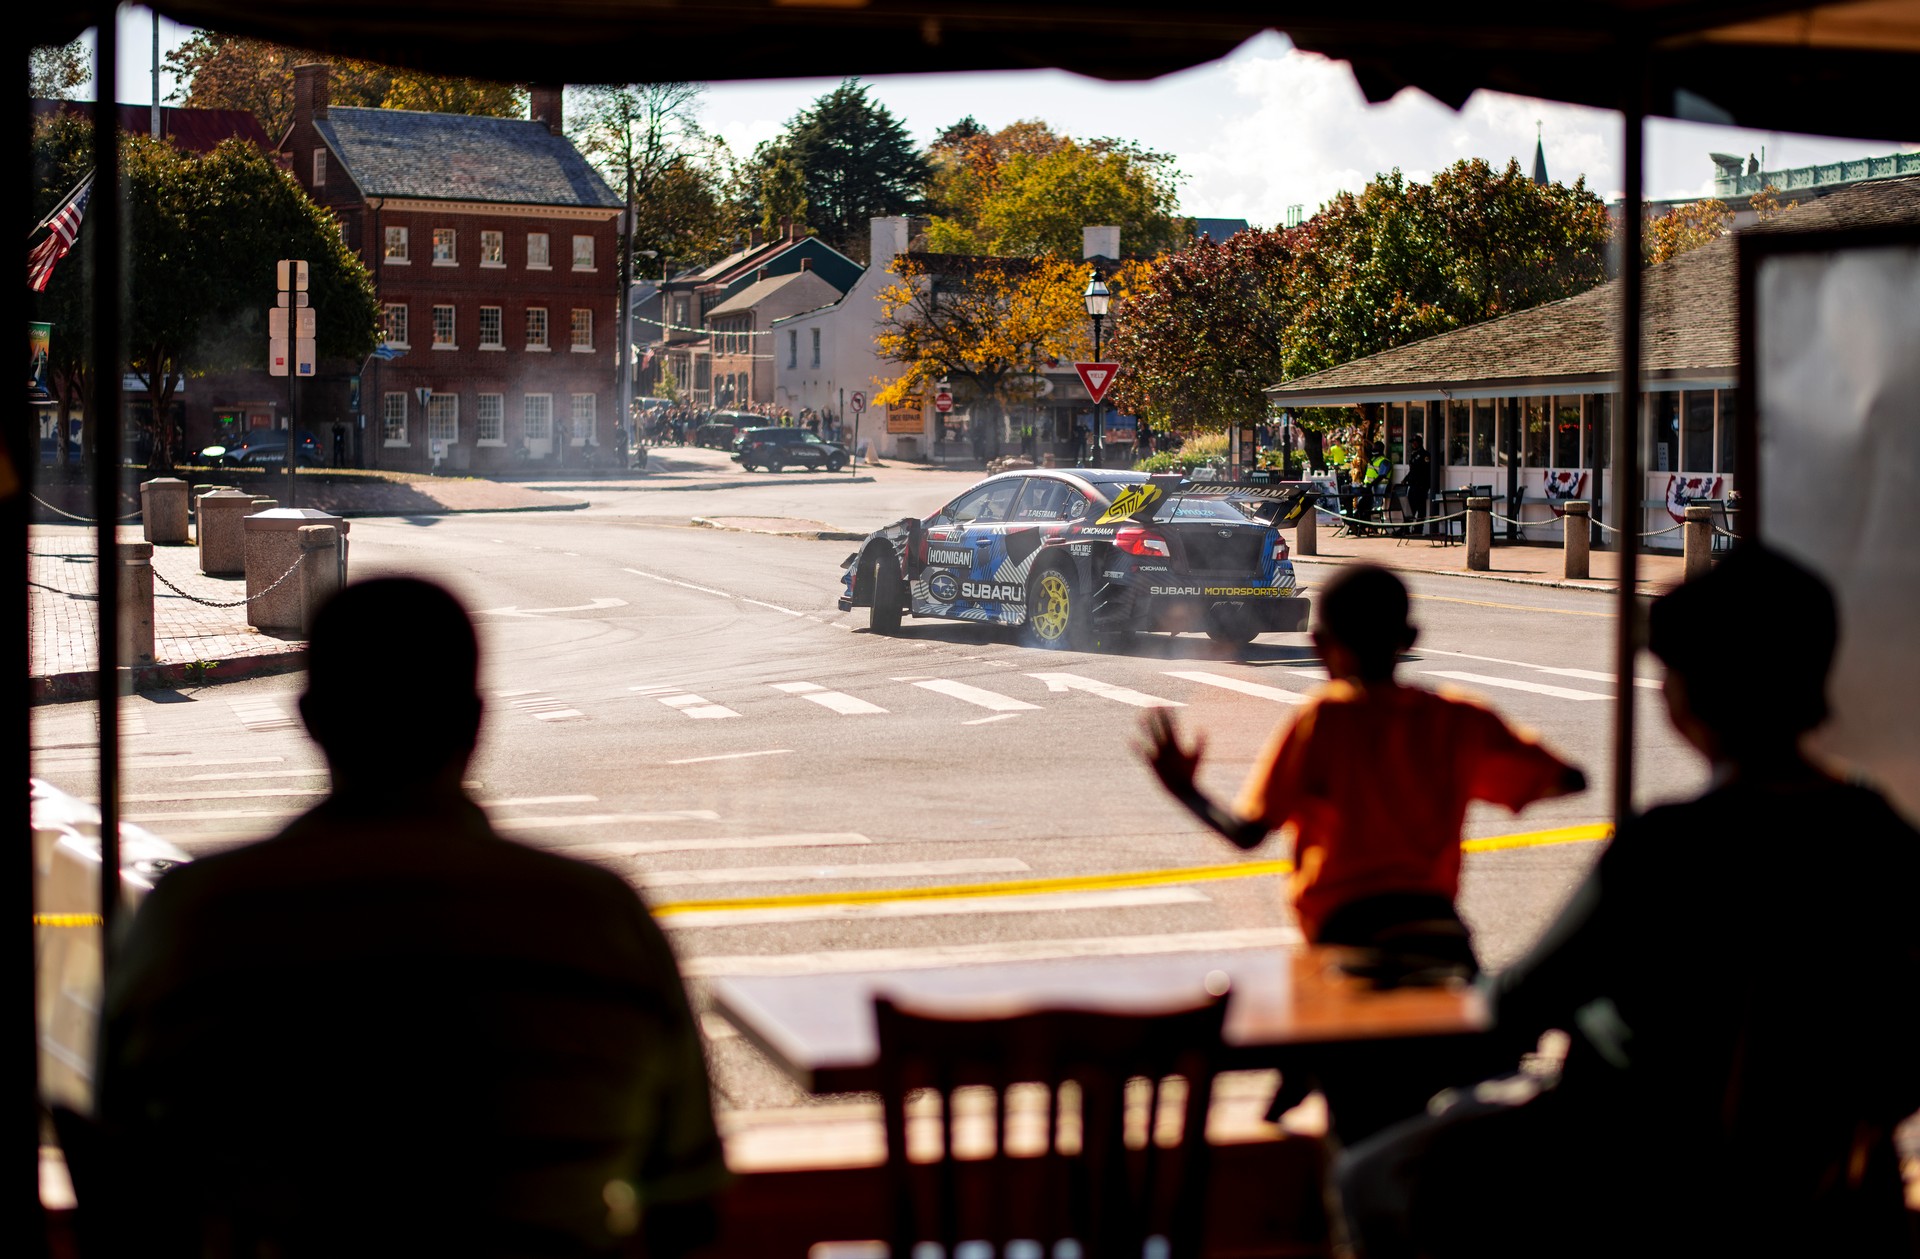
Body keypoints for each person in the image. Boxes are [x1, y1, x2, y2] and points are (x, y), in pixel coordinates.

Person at [95, 578, 728, 1259]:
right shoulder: (603, 919)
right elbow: (688, 1202)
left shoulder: (191, 919)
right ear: (476, 721)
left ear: (310, 719)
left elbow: (125, 1187)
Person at [1339, 546, 1920, 1258]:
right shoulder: (1882, 832)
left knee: (1366, 1178)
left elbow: (1515, 1010)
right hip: (1834, 1191)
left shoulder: (1669, 846)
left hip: (1638, 1176)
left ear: (1687, 693)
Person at [1142, 565, 1585, 1138]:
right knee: (1464, 1104)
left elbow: (1249, 832)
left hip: (1345, 944)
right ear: (1410, 642)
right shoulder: (1456, 719)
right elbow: (1569, 779)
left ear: (1320, 646)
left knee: (1354, 1121)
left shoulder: (1323, 719)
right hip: (1442, 939)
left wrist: (1185, 789)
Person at [1403, 432, 1432, 534]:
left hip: (1421, 486)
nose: (1413, 444)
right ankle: (1406, 528)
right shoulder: (1413, 454)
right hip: (1413, 485)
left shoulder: (1425, 455)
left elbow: (1425, 471)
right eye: (1412, 443)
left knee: (1421, 510)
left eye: (1415, 442)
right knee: (1410, 509)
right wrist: (1405, 479)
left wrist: (1425, 485)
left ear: (1419, 443)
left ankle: (1418, 530)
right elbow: (1412, 470)